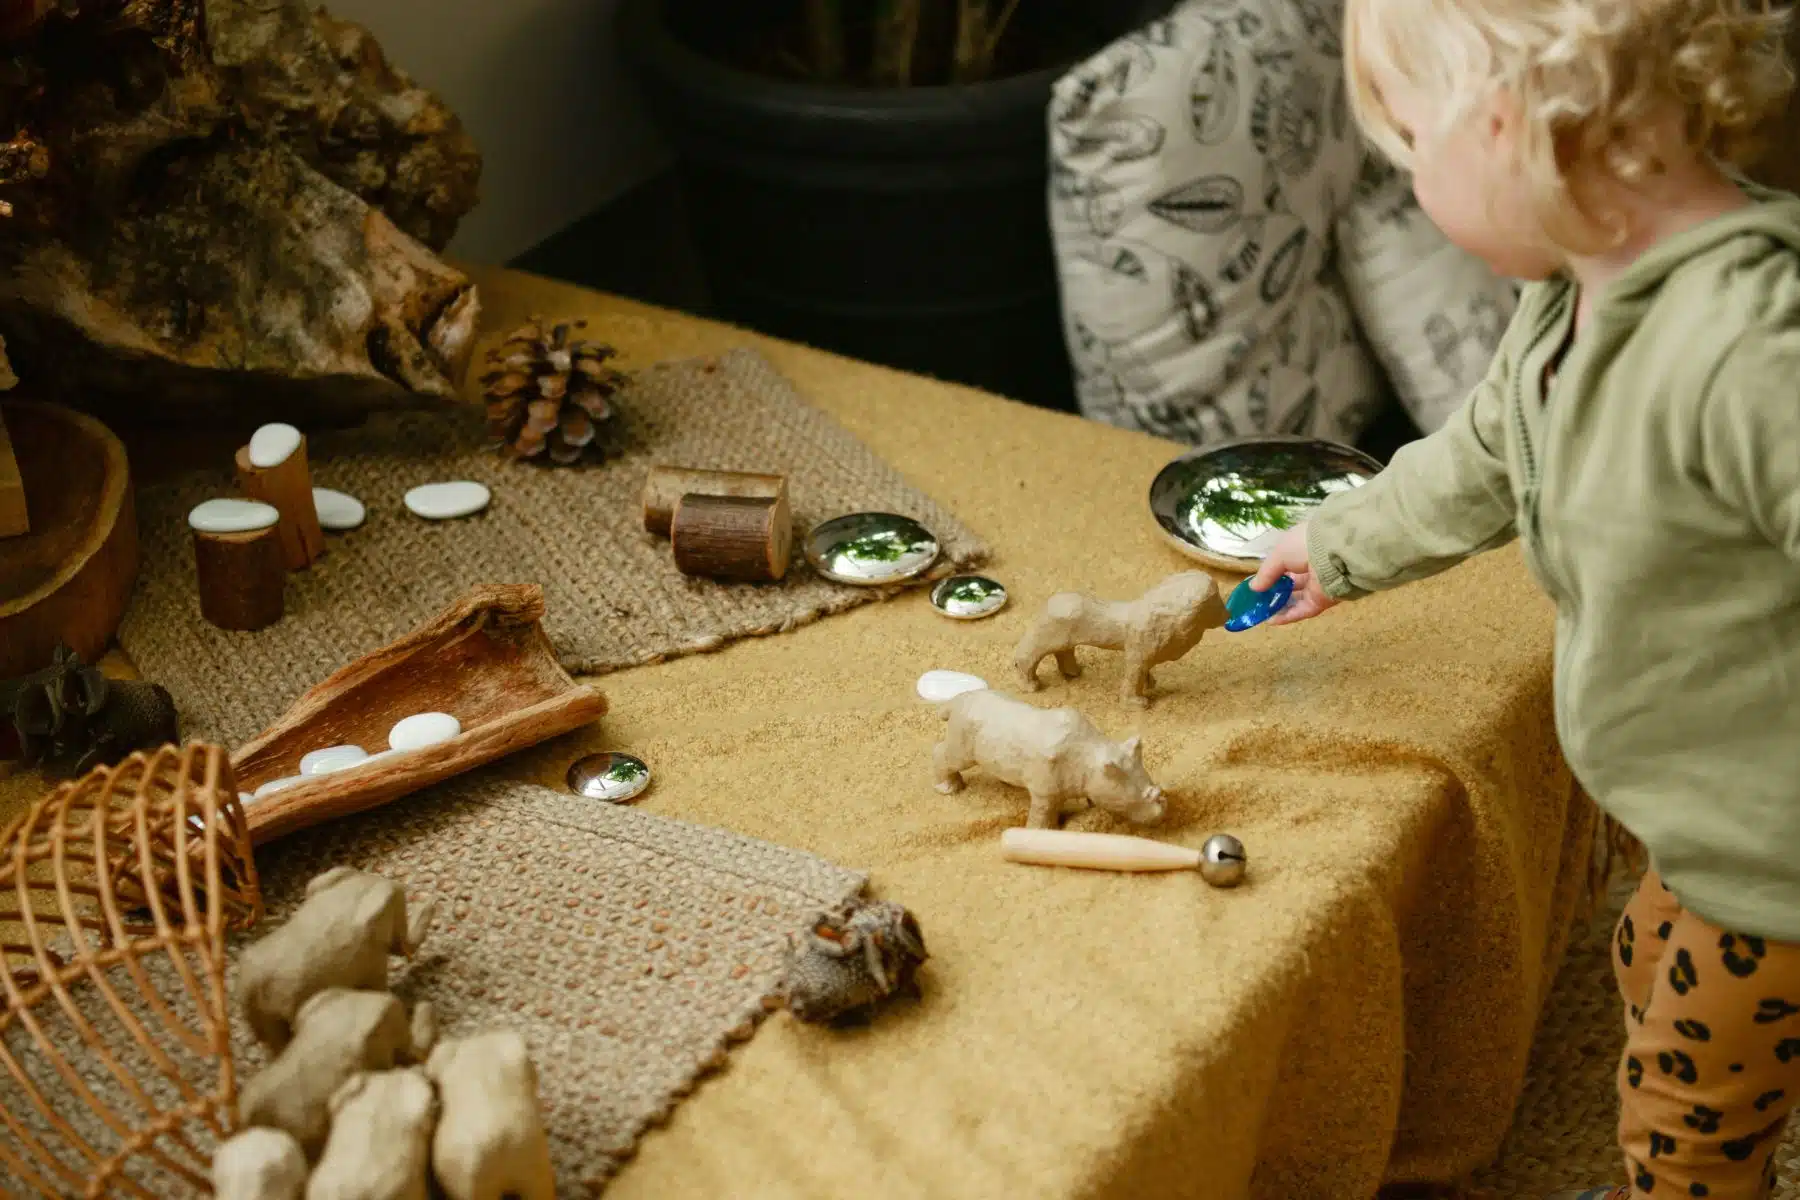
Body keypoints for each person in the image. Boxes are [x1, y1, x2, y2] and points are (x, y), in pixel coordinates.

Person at [1244, 1, 1800, 1197]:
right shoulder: (1570, 298)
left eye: (1408, 150)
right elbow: (1483, 454)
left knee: (1687, 1122)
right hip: (1700, 820)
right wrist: (1336, 547)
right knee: (1652, 962)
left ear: (1504, 124)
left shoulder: (1748, 348)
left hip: (1777, 850)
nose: (1411, 187)